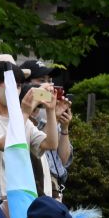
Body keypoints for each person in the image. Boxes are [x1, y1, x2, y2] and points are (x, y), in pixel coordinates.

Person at [0, 55, 58, 203]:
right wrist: (24, 112)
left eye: (18, 86)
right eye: (11, 85)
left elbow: (50, 144)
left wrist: (51, 111)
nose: (16, 91)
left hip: (19, 198)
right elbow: (5, 144)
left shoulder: (19, 118)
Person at [20, 60, 73, 199]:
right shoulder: (19, 115)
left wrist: (64, 127)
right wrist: (52, 117)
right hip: (34, 186)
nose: (49, 86)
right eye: (41, 80)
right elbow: (38, 148)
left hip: (54, 187)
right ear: (24, 85)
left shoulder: (49, 112)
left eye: (50, 80)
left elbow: (63, 158)